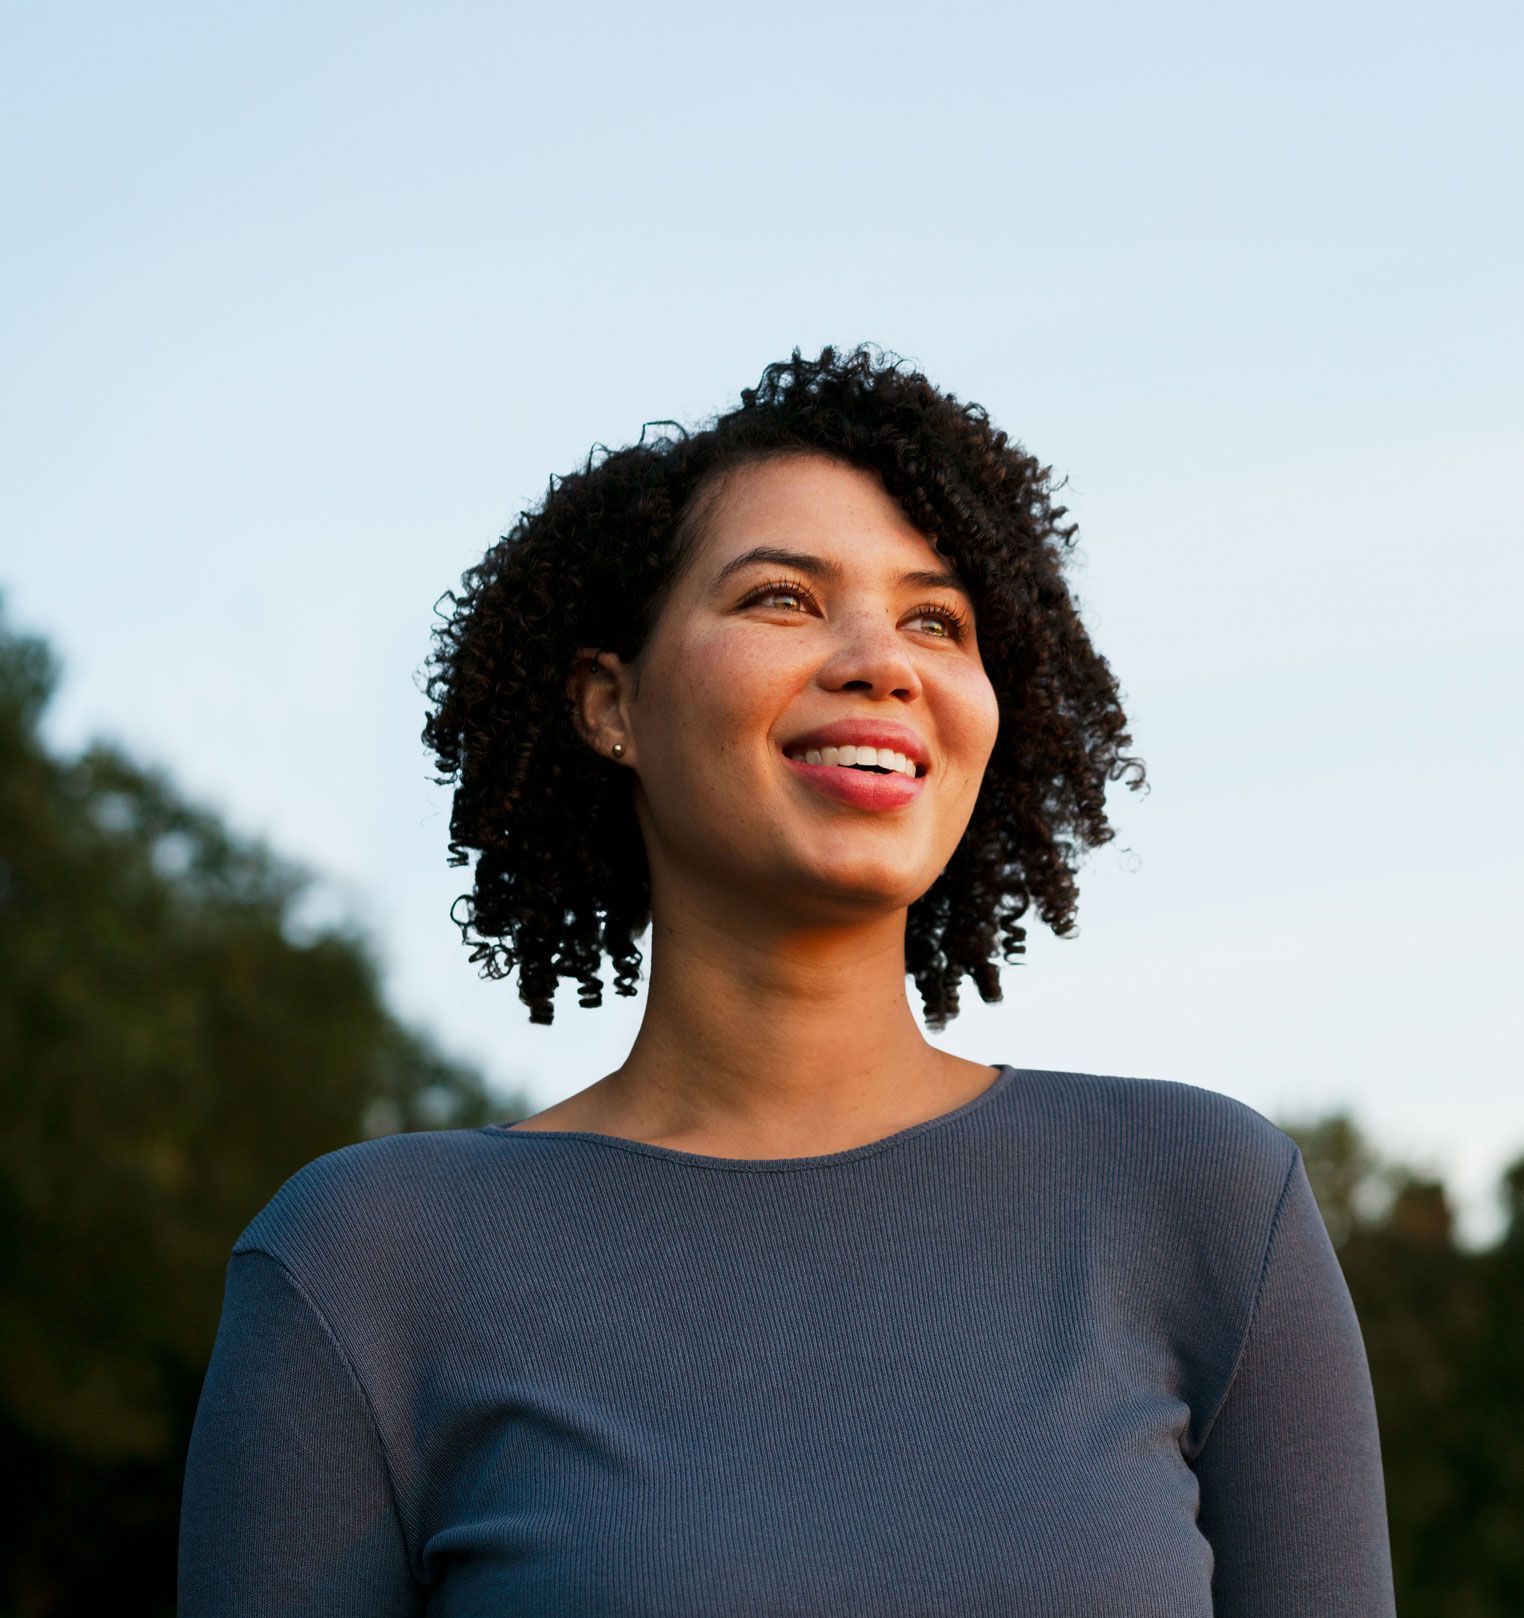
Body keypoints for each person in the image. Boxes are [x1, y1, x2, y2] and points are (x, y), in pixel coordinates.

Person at [177, 345, 1398, 1614]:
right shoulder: (366, 1263)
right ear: (611, 705)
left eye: (936, 619)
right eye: (781, 598)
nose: (885, 661)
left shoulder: (1203, 1201)